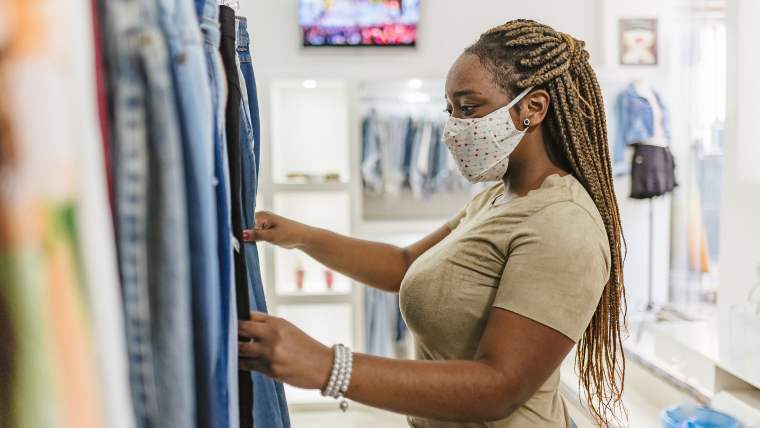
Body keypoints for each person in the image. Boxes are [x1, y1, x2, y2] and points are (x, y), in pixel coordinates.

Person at [238, 19, 626, 428]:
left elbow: (500, 387)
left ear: (533, 107)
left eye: (469, 107)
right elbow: (405, 264)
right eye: (451, 110)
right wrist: (300, 236)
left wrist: (328, 366)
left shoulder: (562, 222)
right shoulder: (498, 198)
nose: (454, 127)